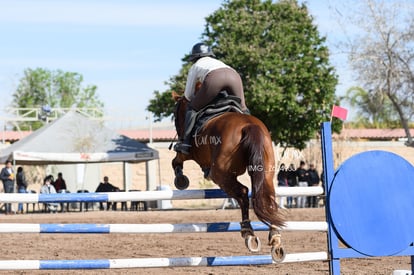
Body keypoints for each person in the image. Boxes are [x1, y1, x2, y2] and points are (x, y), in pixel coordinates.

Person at [174, 42, 248, 155]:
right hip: (234, 76)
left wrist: (198, 100)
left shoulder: (196, 66)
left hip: (215, 78)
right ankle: (253, 129)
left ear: (195, 57)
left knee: (191, 108)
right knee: (243, 108)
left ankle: (186, 142)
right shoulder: (219, 62)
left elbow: (188, 95)